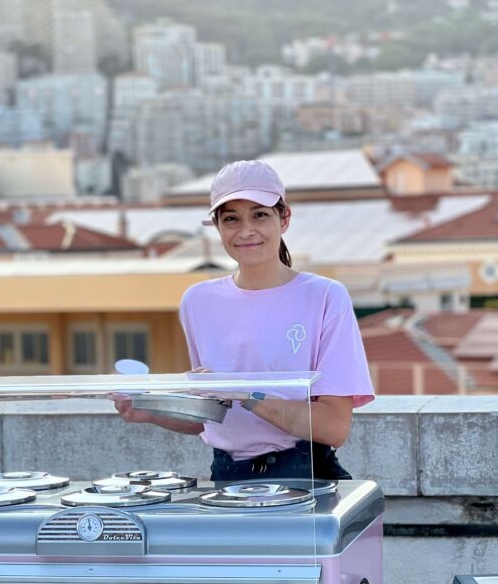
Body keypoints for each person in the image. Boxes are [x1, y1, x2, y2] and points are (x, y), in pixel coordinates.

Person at [115, 159, 374, 480]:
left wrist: (247, 394)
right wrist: (150, 410)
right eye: (231, 219)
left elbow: (333, 427)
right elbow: (213, 414)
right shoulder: (198, 301)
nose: (246, 230)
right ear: (217, 226)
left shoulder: (324, 297)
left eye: (260, 215)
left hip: (305, 476)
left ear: (284, 218)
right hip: (225, 478)